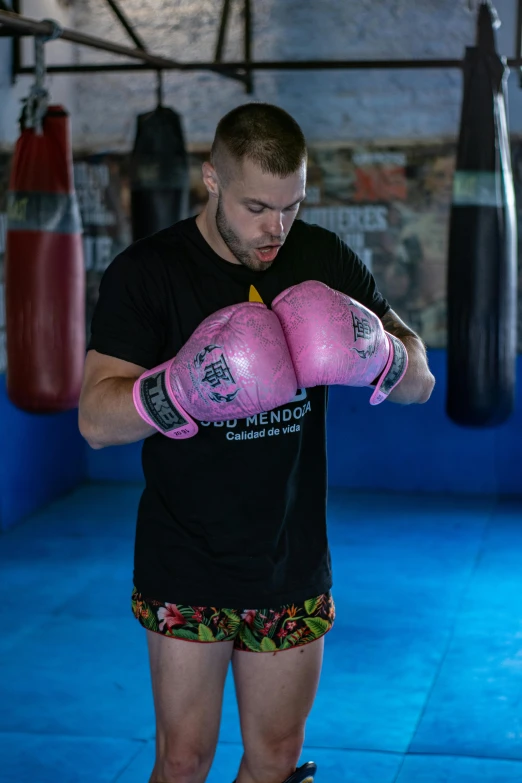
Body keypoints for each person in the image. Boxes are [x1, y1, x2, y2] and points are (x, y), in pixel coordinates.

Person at [79, 102, 435, 783]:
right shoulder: (147, 273)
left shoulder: (321, 256)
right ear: (211, 178)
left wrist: (383, 356)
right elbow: (95, 421)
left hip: (290, 555)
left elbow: (421, 377)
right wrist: (182, 388)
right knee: (183, 761)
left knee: (274, 760)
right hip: (185, 554)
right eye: (257, 208)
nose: (276, 229)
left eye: (292, 206)